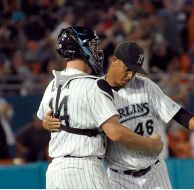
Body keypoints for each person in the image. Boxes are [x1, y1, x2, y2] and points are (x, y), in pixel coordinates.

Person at [43, 41, 194, 189]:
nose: (131, 75)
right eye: (127, 69)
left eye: (135, 70)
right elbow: (71, 121)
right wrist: (47, 122)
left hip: (155, 172)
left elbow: (179, 114)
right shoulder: (94, 91)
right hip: (119, 178)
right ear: (114, 60)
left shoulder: (145, 86)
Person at [37, 27, 163, 189]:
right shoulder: (93, 85)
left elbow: (45, 119)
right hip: (85, 170)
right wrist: (149, 144)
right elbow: (115, 132)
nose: (97, 51)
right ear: (81, 48)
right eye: (93, 46)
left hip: (56, 172)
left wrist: (46, 123)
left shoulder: (53, 84)